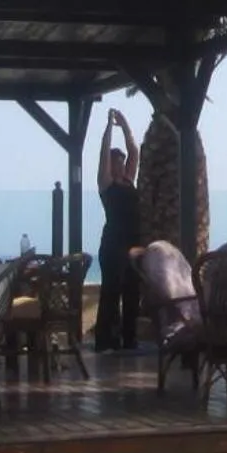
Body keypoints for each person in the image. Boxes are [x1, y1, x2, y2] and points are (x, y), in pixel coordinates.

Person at [94, 108, 144, 352]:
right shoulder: (106, 183)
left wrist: (124, 124)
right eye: (117, 162)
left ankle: (129, 339)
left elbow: (135, 150)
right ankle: (106, 340)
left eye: (122, 162)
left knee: (132, 291)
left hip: (133, 244)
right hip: (113, 243)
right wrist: (107, 129)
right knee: (111, 292)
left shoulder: (128, 181)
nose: (121, 165)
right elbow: (103, 154)